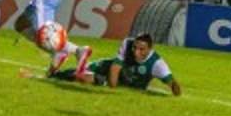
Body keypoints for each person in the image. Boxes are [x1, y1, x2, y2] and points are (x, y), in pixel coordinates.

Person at [46, 33, 182, 95]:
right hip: (108, 69)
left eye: (141, 49)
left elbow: (173, 85)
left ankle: (71, 57)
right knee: (81, 76)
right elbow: (115, 68)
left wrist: (174, 86)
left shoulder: (157, 64)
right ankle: (56, 71)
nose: (136, 52)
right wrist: (111, 88)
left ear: (150, 49)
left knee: (83, 77)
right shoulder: (127, 43)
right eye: (135, 48)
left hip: (121, 80)